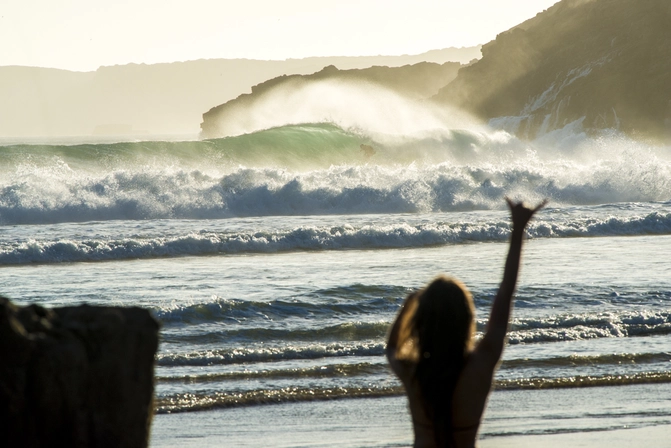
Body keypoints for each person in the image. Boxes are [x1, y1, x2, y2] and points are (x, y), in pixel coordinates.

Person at [386, 198, 546, 448]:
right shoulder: (481, 365)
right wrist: (518, 230)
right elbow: (506, 292)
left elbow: (392, 348)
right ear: (467, 318)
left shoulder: (414, 373)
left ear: (422, 322)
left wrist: (409, 305)